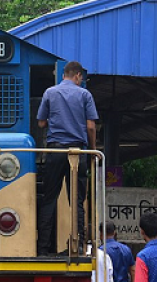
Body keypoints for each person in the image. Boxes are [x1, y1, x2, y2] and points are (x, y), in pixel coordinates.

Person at [36, 61, 99, 256]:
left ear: (65, 74)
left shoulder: (49, 93)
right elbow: (90, 126)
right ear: (78, 76)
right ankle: (78, 244)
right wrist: (93, 150)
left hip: (55, 151)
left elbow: (41, 123)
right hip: (77, 153)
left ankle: (42, 248)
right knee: (77, 200)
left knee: (49, 199)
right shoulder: (85, 95)